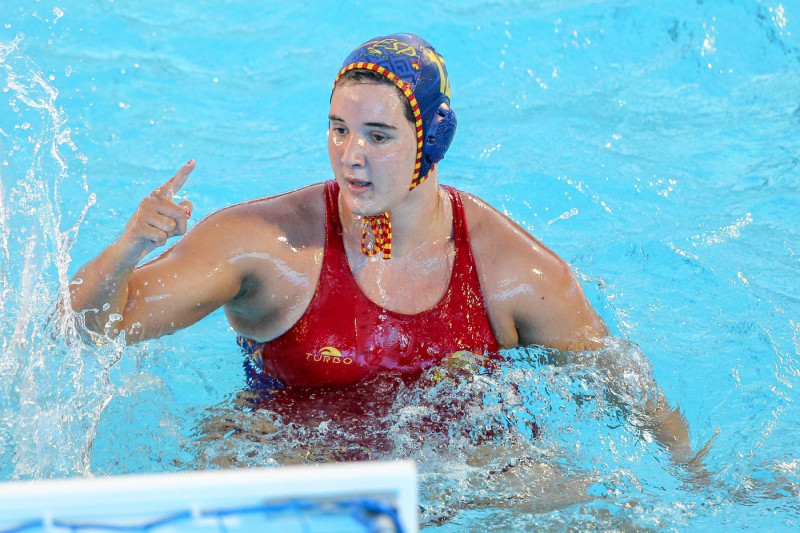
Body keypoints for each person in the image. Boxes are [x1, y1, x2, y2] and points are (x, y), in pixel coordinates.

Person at [70, 33, 692, 458]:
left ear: (430, 140)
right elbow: (95, 327)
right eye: (338, 130)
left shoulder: (513, 273)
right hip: (293, 461)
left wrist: (697, 481)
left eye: (378, 135)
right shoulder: (270, 246)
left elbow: (623, 382)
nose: (351, 156)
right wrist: (128, 250)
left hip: (462, 477)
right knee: (231, 452)